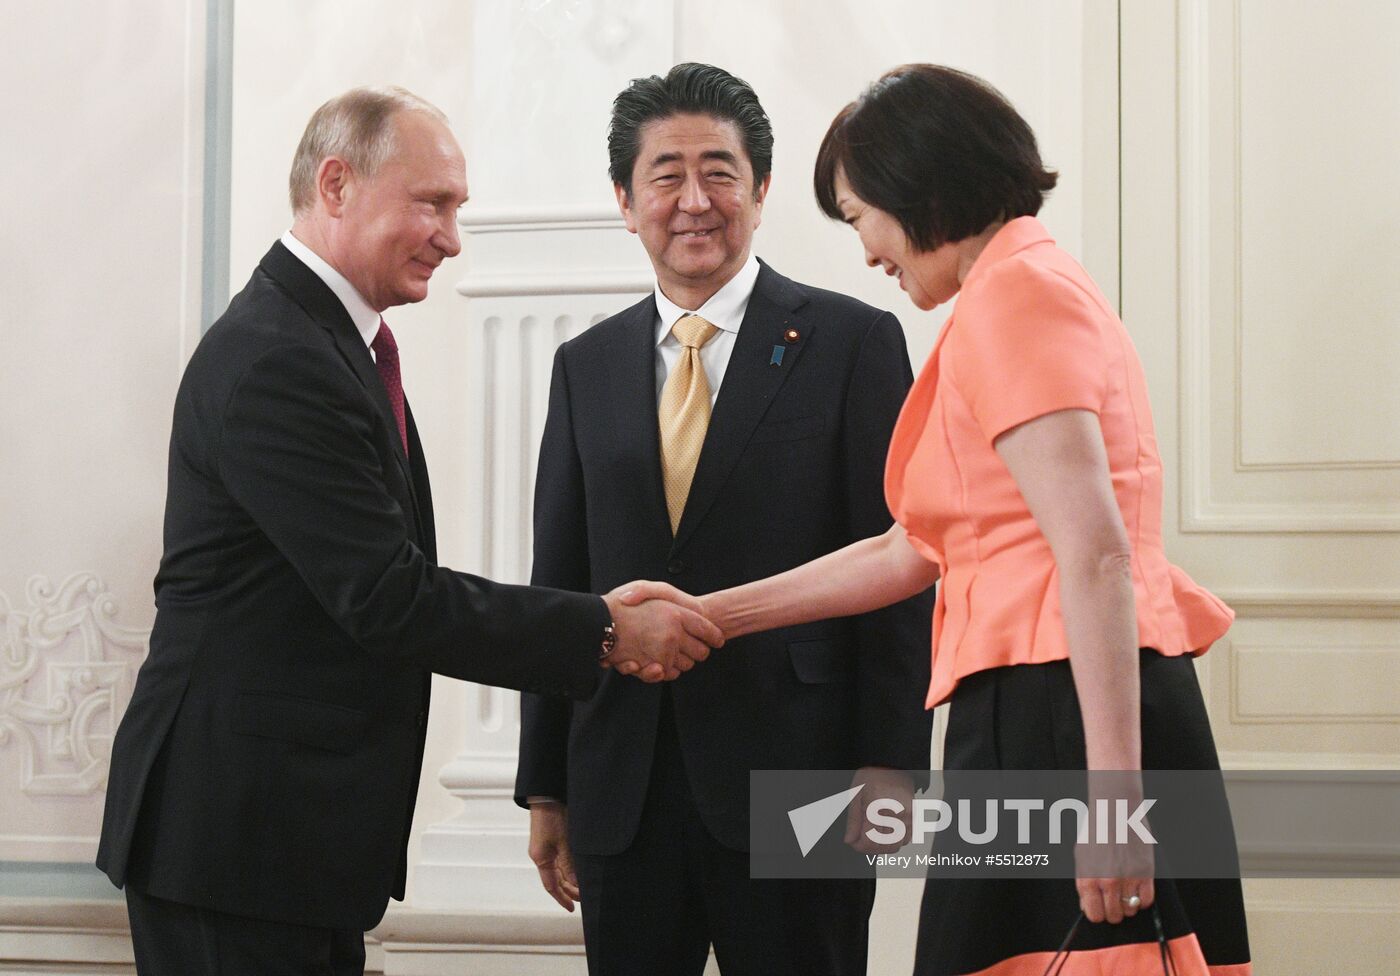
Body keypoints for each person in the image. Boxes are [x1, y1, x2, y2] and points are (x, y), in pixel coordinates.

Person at [622, 64, 1253, 975]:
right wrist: (714, 615)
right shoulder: (1012, 289)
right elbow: (914, 546)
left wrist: (1115, 803)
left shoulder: (1016, 297)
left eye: (858, 213)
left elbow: (1097, 554)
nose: (867, 249)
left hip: (1064, 711)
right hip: (1050, 701)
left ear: (915, 187)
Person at [96, 86, 719, 976]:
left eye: (456, 207)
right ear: (337, 183)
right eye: (432, 203)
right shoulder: (281, 358)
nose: (452, 236)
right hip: (235, 842)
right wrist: (607, 630)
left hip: (277, 844)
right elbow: (388, 597)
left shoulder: (331, 343)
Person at [514, 63, 934, 976]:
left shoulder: (854, 344)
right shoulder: (584, 365)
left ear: (761, 190)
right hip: (622, 782)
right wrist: (546, 785)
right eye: (666, 175)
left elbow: (904, 562)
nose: (694, 201)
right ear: (626, 201)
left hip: (806, 780)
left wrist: (893, 766)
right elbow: (560, 578)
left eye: (721, 173)